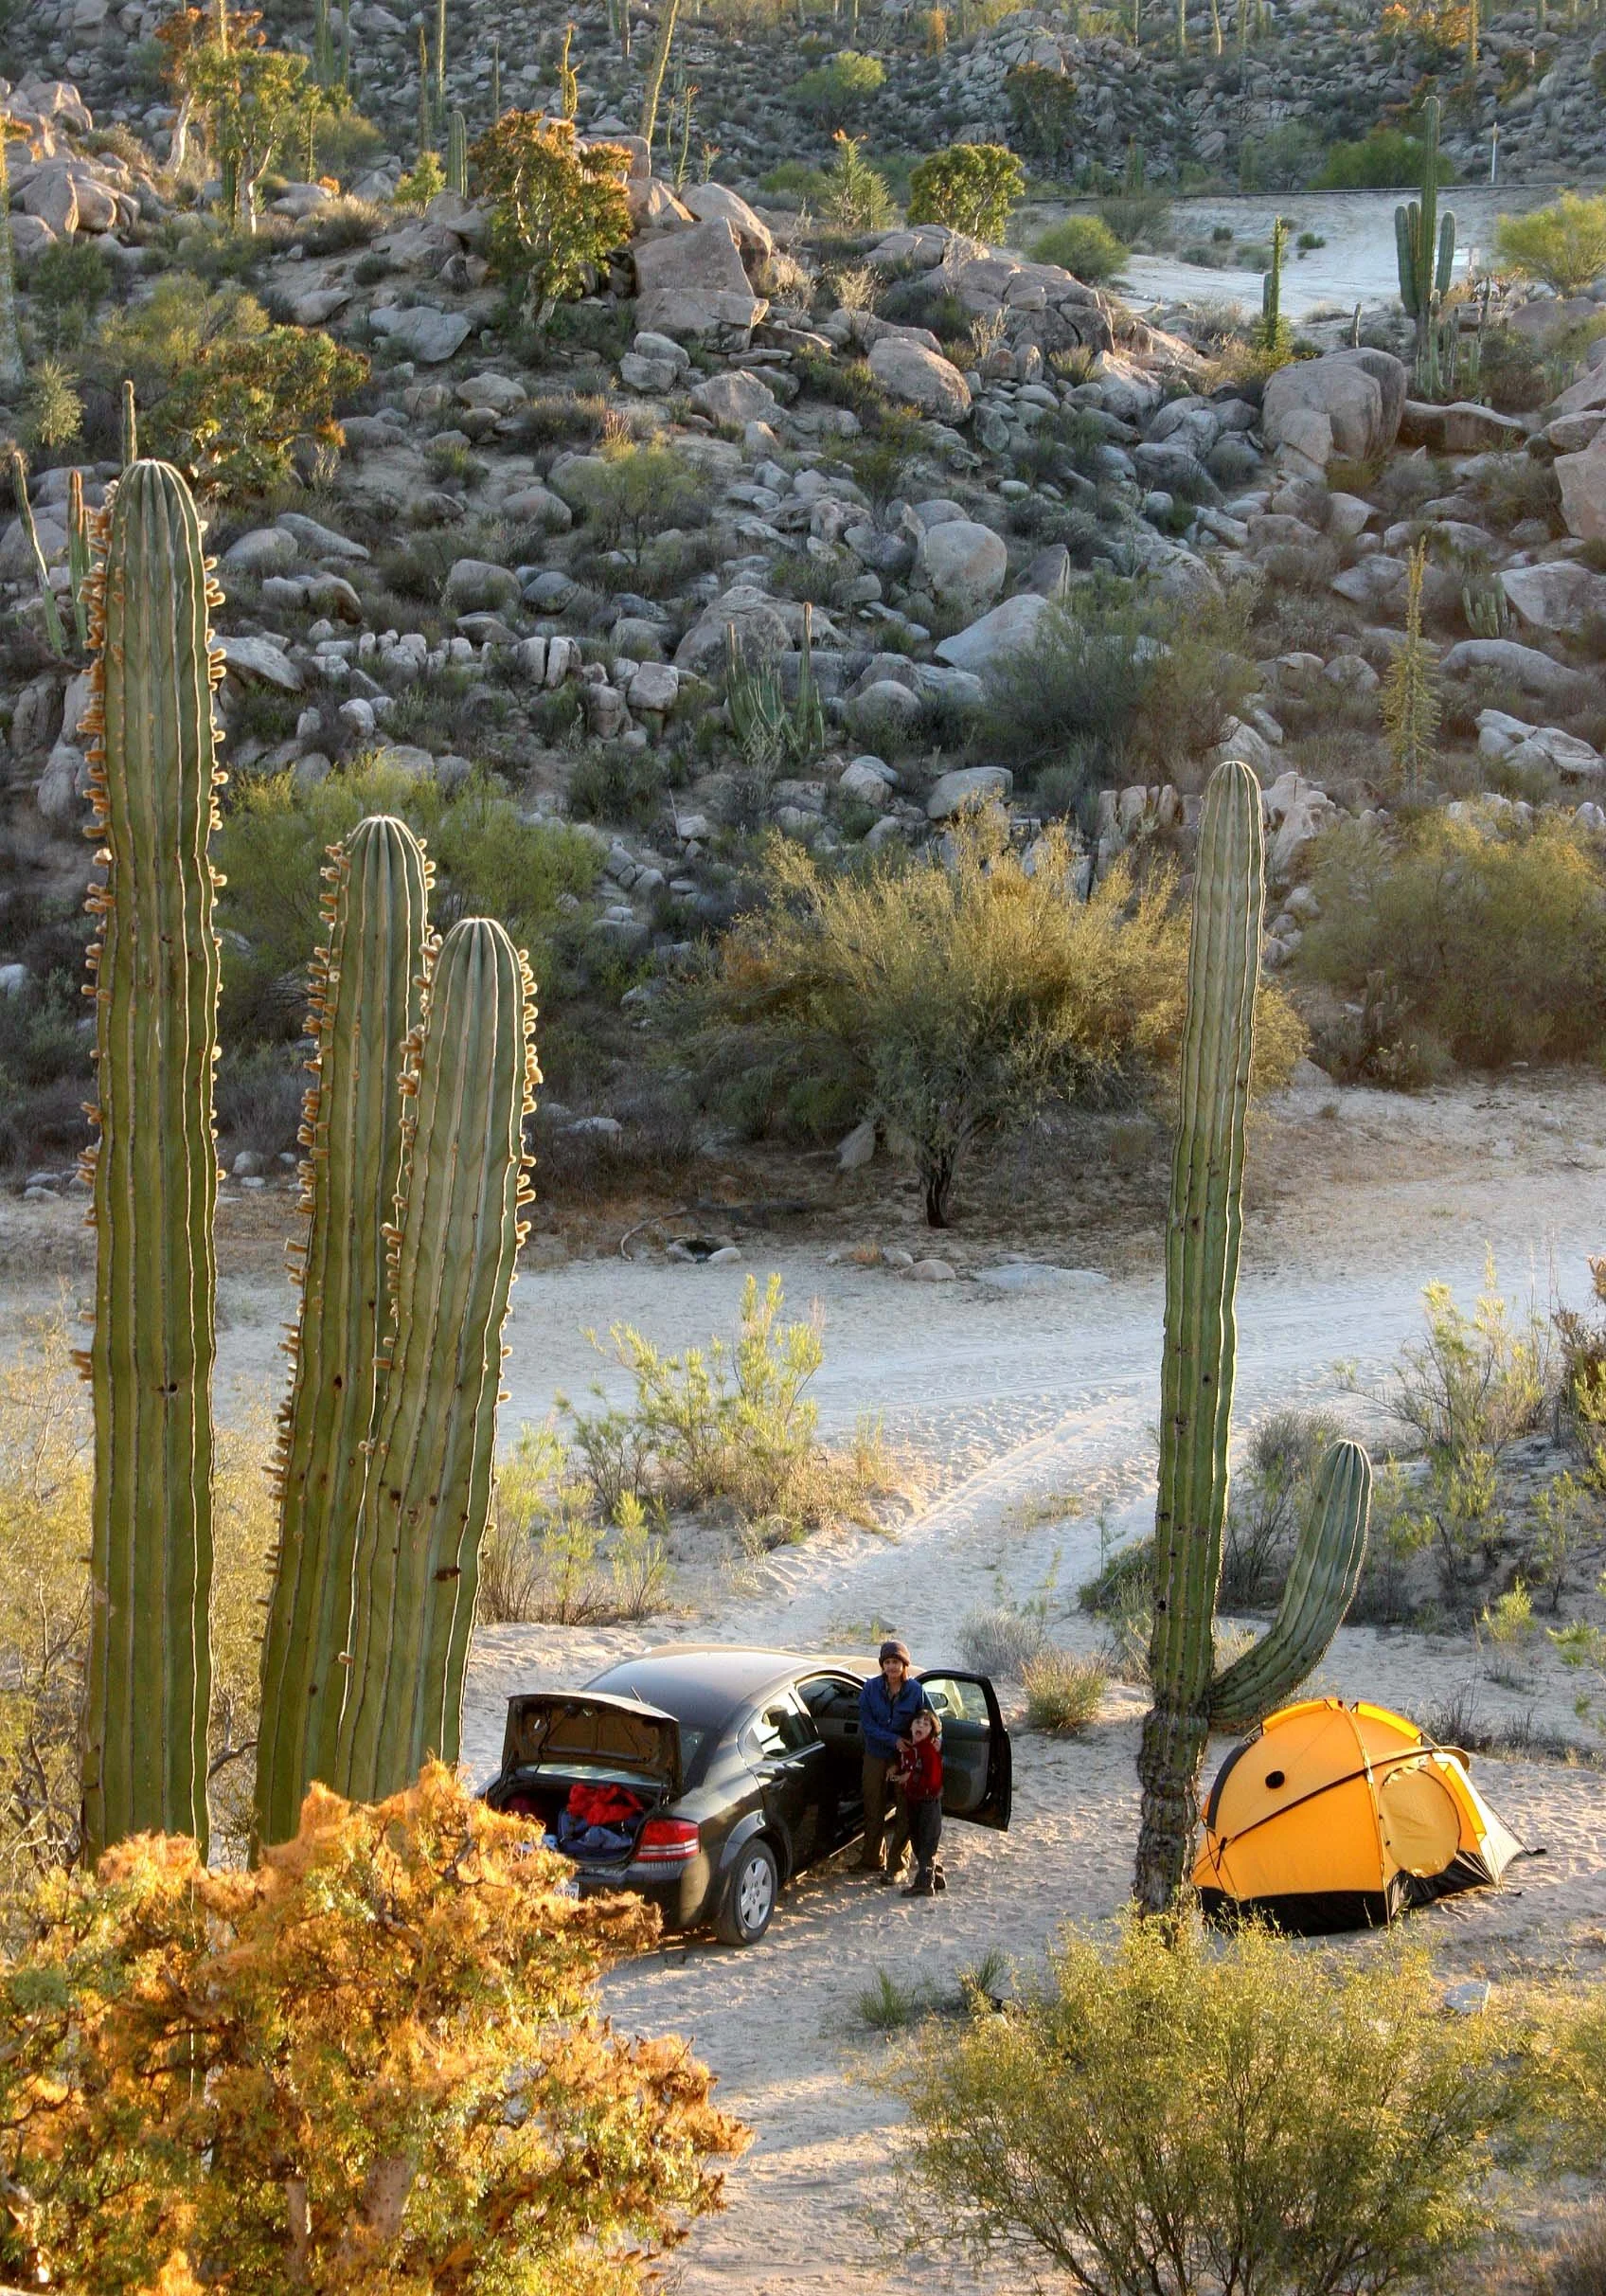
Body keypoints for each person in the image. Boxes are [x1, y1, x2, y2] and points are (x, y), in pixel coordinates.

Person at [856, 1639, 929, 1880]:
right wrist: (892, 1740)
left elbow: (930, 1722)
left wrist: (922, 1750)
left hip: (905, 1757)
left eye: (896, 1662)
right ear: (882, 1665)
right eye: (887, 1662)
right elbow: (867, 1725)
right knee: (872, 1806)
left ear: (904, 1665)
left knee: (905, 1810)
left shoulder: (916, 1691)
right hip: (876, 1753)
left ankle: (898, 1865)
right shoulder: (870, 1689)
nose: (892, 1667)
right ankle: (872, 1859)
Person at [897, 1707, 944, 1897]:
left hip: (928, 1801)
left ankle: (924, 1883)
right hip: (914, 1801)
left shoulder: (928, 1752)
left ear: (931, 1732)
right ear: (910, 1726)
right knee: (918, 1839)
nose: (921, 1726)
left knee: (925, 1842)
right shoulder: (911, 1749)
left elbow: (932, 1779)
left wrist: (910, 1778)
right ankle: (935, 1875)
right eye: (918, 1722)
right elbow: (904, 1765)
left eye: (926, 1724)